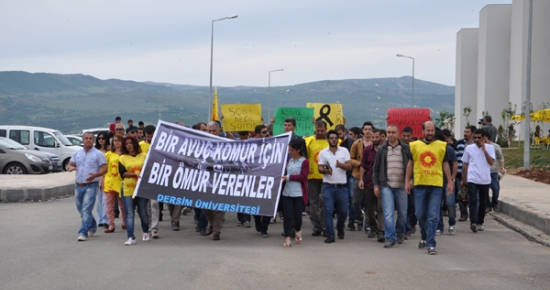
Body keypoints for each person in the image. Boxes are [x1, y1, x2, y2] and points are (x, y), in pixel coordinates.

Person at [405, 121, 453, 255]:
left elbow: (445, 165)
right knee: (420, 214)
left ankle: (431, 244)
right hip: (419, 185)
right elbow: (410, 164)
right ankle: (424, 237)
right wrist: (407, 181)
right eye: (428, 130)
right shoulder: (414, 146)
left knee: (433, 216)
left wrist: (450, 181)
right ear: (423, 131)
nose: (430, 133)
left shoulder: (442, 146)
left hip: (436, 186)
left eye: (432, 130)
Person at [372, 125, 412, 248]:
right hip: (387, 185)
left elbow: (412, 167)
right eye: (388, 132)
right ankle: (390, 237)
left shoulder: (405, 148)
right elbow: (376, 169)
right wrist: (376, 185)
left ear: (397, 133)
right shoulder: (382, 149)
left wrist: (411, 180)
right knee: (388, 213)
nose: (390, 134)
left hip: (402, 186)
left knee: (403, 213)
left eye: (393, 132)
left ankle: (399, 232)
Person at [67, 132, 107, 242]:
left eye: (90, 138)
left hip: (91, 185)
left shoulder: (98, 154)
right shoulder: (77, 153)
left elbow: (104, 168)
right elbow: (70, 164)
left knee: (86, 209)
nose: (88, 140)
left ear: (93, 140)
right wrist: (70, 167)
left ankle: (83, 232)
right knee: (81, 209)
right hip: (78, 185)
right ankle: (93, 225)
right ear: (82, 140)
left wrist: (96, 175)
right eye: (86, 138)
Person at [318, 130, 352, 243]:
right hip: (328, 186)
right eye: (331, 138)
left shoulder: (344, 151)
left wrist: (340, 165)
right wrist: (325, 171)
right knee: (328, 211)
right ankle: (330, 234)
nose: (333, 139)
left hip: (342, 186)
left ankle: (340, 226)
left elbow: (349, 166)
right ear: (328, 139)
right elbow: (320, 168)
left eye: (335, 138)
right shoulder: (323, 153)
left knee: (343, 211)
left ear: (338, 139)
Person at [461, 129, 495, 233]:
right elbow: (465, 164)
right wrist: (464, 179)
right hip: (472, 178)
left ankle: (480, 222)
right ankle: (473, 222)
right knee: (473, 201)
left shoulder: (490, 148)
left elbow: (491, 162)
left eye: (479, 137)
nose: (477, 140)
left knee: (483, 202)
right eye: (475, 137)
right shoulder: (469, 148)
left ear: (484, 138)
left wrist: (484, 150)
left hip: (484, 179)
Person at [118, 136, 149, 245]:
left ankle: (145, 231)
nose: (129, 145)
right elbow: (122, 173)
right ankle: (130, 236)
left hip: (141, 188)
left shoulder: (144, 156)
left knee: (143, 212)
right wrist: (133, 174)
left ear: (135, 143)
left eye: (130, 143)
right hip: (128, 189)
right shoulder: (122, 158)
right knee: (129, 213)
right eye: (126, 144)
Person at [304, 120, 330, 237]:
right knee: (313, 203)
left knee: (324, 203)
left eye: (322, 130)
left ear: (326, 130)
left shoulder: (331, 141)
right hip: (312, 176)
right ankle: (316, 227)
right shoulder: (308, 141)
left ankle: (325, 226)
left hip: (327, 177)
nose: (320, 132)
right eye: (318, 130)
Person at [281, 138, 309, 247]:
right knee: (287, 216)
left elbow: (303, 177)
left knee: (297, 216)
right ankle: (287, 238)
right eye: (289, 150)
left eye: (292, 150)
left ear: (298, 150)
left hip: (298, 194)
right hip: (287, 193)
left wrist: (288, 177)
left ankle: (298, 230)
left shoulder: (304, 162)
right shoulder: (289, 161)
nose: (290, 152)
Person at [358, 129, 385, 242]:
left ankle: (381, 230)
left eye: (376, 137)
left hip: (382, 183)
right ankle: (373, 227)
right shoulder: (367, 150)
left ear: (380, 137)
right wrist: (361, 179)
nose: (374, 139)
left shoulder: (385, 150)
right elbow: (363, 165)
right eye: (373, 137)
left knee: (380, 208)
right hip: (369, 182)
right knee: (369, 208)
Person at [203, 121, 227, 240]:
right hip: (206, 178)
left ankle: (217, 231)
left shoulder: (227, 144)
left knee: (219, 207)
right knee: (205, 205)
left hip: (221, 179)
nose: (211, 133)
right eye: (209, 131)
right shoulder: (203, 144)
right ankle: (212, 225)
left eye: (214, 131)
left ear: (219, 130)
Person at [350, 121, 374, 231]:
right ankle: (359, 217)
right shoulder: (357, 143)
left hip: (371, 175)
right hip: (357, 174)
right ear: (362, 131)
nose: (368, 131)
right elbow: (350, 159)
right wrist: (360, 164)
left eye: (370, 129)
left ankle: (368, 223)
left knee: (370, 201)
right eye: (366, 129)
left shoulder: (375, 143)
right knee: (355, 201)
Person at [435, 130, 458, 236]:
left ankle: (452, 223)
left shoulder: (449, 149)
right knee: (437, 205)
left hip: (447, 181)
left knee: (450, 202)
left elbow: (455, 164)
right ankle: (439, 226)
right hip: (436, 181)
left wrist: (452, 179)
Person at [139, 125, 160, 239]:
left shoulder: (160, 145)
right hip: (143, 179)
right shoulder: (140, 146)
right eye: (148, 136)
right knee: (146, 206)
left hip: (155, 178)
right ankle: (147, 226)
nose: (150, 138)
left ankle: (154, 229)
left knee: (154, 204)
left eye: (152, 136)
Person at [103, 133, 126, 233]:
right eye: (115, 141)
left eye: (118, 140)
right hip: (110, 182)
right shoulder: (108, 154)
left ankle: (124, 222)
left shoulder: (126, 155)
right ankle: (111, 224)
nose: (116, 142)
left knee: (123, 204)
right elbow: (104, 169)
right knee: (109, 205)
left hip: (122, 183)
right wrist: (102, 181)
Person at [336, 124, 356, 230]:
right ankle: (341, 221)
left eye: (340, 134)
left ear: (345, 132)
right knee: (340, 199)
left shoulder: (351, 142)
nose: (338, 136)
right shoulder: (334, 144)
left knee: (351, 197)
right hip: (339, 174)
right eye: (337, 134)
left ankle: (351, 221)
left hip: (350, 173)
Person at [252, 125, 272, 236]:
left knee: (269, 204)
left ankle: (264, 228)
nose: (267, 134)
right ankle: (257, 220)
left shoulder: (273, 145)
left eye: (268, 132)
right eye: (264, 132)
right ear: (257, 134)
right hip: (255, 180)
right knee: (257, 204)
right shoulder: (250, 145)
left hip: (269, 179)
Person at [455, 126, 475, 222]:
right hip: (460, 174)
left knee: (474, 196)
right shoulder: (459, 144)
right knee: (461, 195)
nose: (465, 133)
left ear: (473, 133)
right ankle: (463, 214)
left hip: (473, 175)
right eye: (464, 131)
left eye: (467, 132)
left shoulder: (476, 145)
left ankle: (474, 215)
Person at [401, 126, 416, 239]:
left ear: (412, 136)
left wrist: (413, 180)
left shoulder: (416, 147)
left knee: (413, 206)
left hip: (415, 181)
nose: (406, 138)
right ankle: (406, 228)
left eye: (408, 136)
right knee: (404, 207)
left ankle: (412, 223)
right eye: (404, 136)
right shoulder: (399, 147)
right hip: (402, 180)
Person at [484, 134, 505, 212]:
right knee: (485, 190)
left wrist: (502, 167)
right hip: (484, 172)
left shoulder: (495, 147)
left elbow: (501, 157)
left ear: (486, 136)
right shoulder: (480, 147)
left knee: (495, 189)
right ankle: (487, 206)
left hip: (493, 172)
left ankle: (494, 203)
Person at [94, 131, 110, 229]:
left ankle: (105, 219)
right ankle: (100, 219)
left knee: (105, 200)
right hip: (96, 178)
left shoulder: (109, 151)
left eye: (103, 138)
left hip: (106, 178)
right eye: (99, 138)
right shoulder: (94, 151)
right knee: (98, 200)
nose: (101, 140)